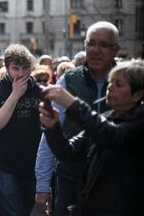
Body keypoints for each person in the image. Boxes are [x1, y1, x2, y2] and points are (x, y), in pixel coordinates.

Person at [35, 21, 120, 216]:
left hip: (113, 182)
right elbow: (50, 135)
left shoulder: (126, 79)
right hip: (71, 179)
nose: (96, 50)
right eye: (91, 44)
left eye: (103, 45)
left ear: (116, 49)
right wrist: (42, 185)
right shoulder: (69, 79)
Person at [38, 60, 144, 215]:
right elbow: (68, 153)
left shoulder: (139, 122)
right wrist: (52, 127)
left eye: (119, 84)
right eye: (110, 82)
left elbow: (113, 135)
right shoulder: (105, 118)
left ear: (138, 94)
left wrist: (73, 103)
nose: (110, 87)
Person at [0, 44, 42, 216]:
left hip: (32, 165)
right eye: (15, 68)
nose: (21, 73)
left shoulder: (39, 91)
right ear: (7, 67)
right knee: (12, 212)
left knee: (27, 210)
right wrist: (15, 95)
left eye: (25, 68)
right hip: (4, 166)